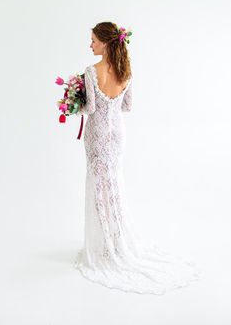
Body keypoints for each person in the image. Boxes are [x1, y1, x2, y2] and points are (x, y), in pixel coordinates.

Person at [75, 22, 201, 295]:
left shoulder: (90, 71)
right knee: (114, 186)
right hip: (117, 136)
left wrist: (75, 99)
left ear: (106, 43)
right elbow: (128, 106)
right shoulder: (126, 71)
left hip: (97, 137)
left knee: (98, 187)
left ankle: (103, 246)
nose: (91, 45)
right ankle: (118, 243)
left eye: (94, 40)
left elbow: (91, 108)